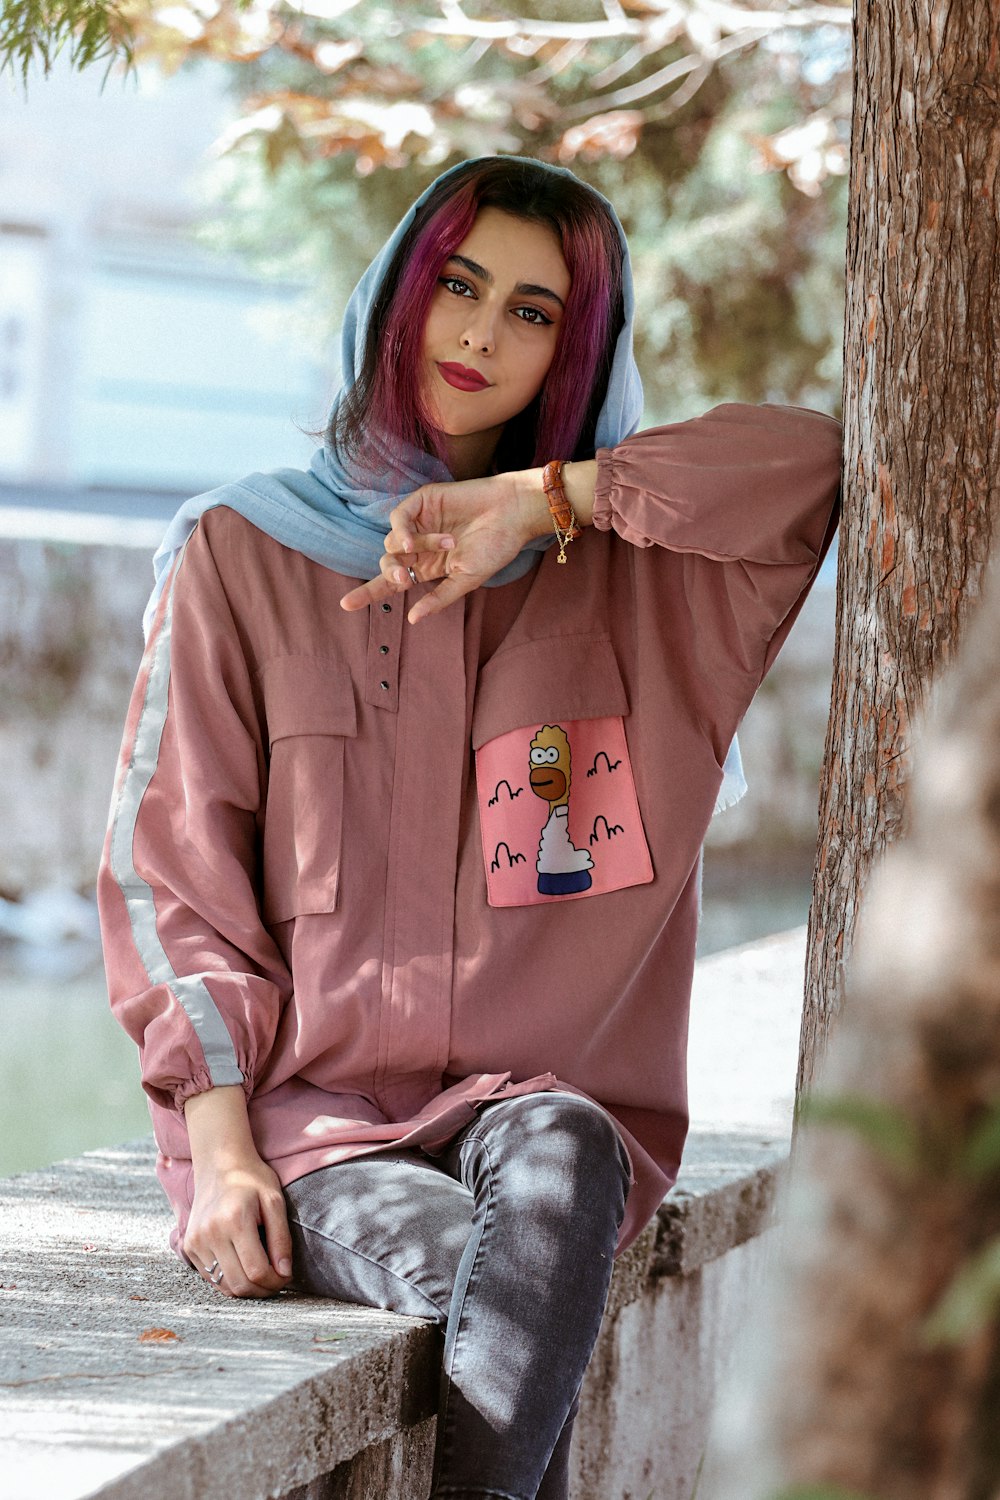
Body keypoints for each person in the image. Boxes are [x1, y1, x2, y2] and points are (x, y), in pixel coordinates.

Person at [98, 155, 841, 1499]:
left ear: (577, 349)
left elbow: (820, 466)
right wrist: (216, 1157)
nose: (481, 337)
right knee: (503, 1285)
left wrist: (549, 501)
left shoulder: (648, 590)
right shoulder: (239, 557)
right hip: (315, 1131)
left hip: (545, 1110)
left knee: (559, 1162)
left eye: (535, 312)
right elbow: (174, 882)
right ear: (399, 291)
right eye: (459, 286)